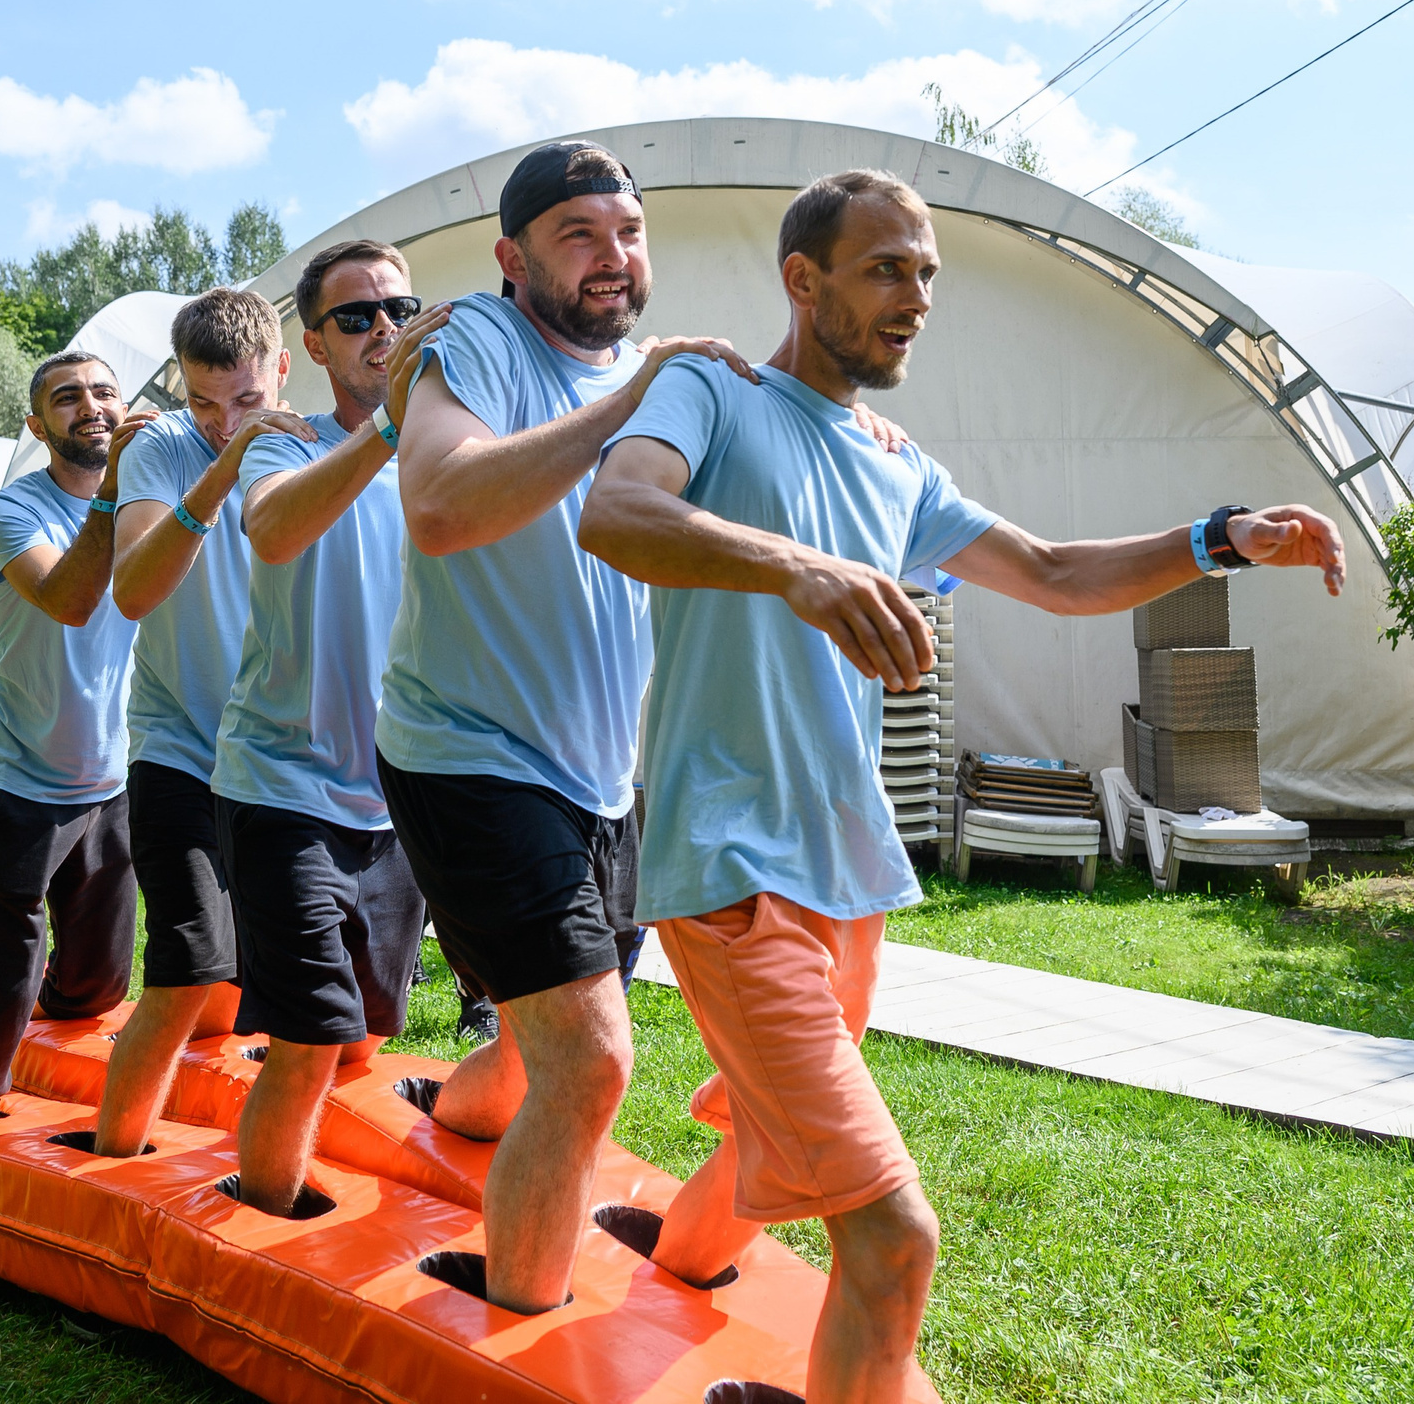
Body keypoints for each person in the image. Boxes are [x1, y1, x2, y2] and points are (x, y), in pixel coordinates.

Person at [579, 169, 1351, 1402]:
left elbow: (1050, 569)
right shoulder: (710, 388)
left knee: (778, 1142)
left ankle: (668, 1257)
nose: (916, 296)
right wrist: (798, 570)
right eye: (887, 268)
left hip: (849, 875)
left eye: (927, 272)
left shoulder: (894, 463)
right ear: (803, 279)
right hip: (733, 867)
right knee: (892, 1235)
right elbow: (616, 514)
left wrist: (1218, 537)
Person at [376, 140, 761, 1314]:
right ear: (513, 256)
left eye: (627, 233)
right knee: (591, 1061)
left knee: (540, 1032)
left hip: (604, 774)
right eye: (578, 235)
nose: (612, 257)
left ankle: (445, 1109)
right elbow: (441, 506)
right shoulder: (477, 343)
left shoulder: (660, 373)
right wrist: (627, 403)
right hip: (467, 754)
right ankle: (515, 1326)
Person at [209, 243, 450, 1215]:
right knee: (310, 1032)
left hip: (393, 796)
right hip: (277, 784)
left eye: (400, 307)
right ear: (312, 343)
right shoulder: (283, 444)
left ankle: (320, 1169)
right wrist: (390, 426)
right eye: (356, 316)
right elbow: (270, 529)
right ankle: (259, 1225)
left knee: (362, 1033)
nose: (384, 327)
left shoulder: (436, 451)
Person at [92, 288, 310, 1157]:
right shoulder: (161, 450)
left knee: (303, 994)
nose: (225, 422)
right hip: (177, 749)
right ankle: (111, 1162)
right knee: (186, 972)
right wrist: (223, 468)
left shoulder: (318, 447)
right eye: (203, 402)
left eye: (248, 402)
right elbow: (135, 589)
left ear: (283, 370)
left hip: (279, 760)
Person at [0, 350, 153, 1123]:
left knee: (100, 981)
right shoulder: (7, 511)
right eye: (68, 399)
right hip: (17, 778)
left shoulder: (150, 503)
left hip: (111, 777)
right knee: (2, 981)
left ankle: (56, 1073)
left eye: (103, 392)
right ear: (39, 424)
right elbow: (69, 597)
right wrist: (119, 495)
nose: (90, 407)